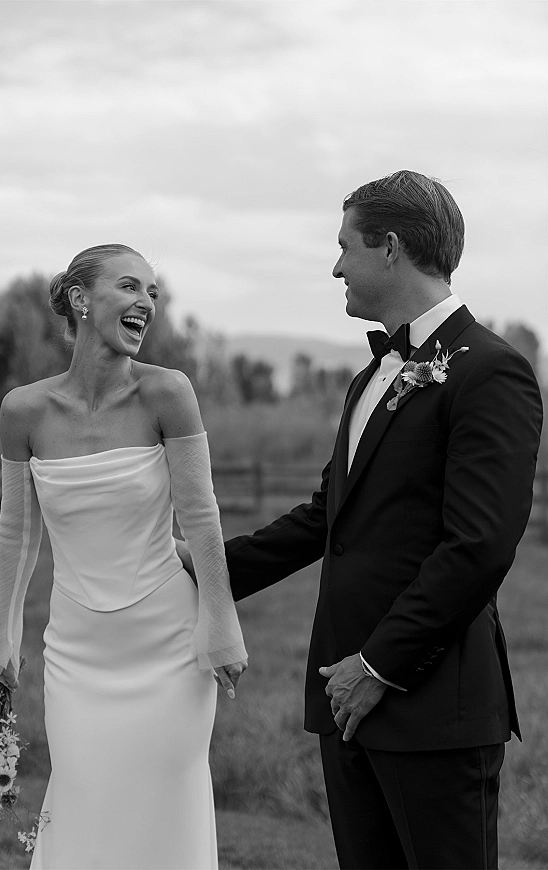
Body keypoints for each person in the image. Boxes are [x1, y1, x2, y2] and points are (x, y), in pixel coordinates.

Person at [200, 171, 542, 869]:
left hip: (429, 707)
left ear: (389, 248)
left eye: (344, 246)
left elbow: (478, 546)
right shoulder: (368, 378)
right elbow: (330, 519)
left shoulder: (492, 372)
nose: (335, 267)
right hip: (344, 702)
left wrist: (378, 666)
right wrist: (204, 568)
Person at [0, 243, 247, 870]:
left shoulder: (168, 394)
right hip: (78, 651)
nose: (146, 304)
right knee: (84, 801)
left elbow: (201, 516)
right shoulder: (24, 410)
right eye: (130, 287)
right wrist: (1, 628)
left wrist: (221, 622)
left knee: (165, 806)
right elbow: (17, 532)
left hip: (169, 645)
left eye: (151, 293)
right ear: (80, 299)